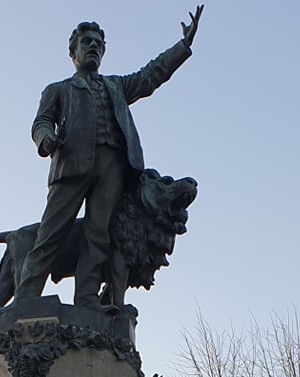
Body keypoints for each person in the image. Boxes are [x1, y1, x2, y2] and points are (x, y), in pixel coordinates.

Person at [13, 7, 203, 310]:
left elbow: (150, 75)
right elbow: (41, 122)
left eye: (98, 45)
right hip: (72, 165)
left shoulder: (116, 86)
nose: (93, 47)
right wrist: (46, 138)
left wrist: (182, 48)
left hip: (113, 169)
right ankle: (25, 298)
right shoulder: (59, 89)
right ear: (72, 52)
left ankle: (88, 300)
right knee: (52, 232)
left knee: (98, 235)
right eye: (86, 42)